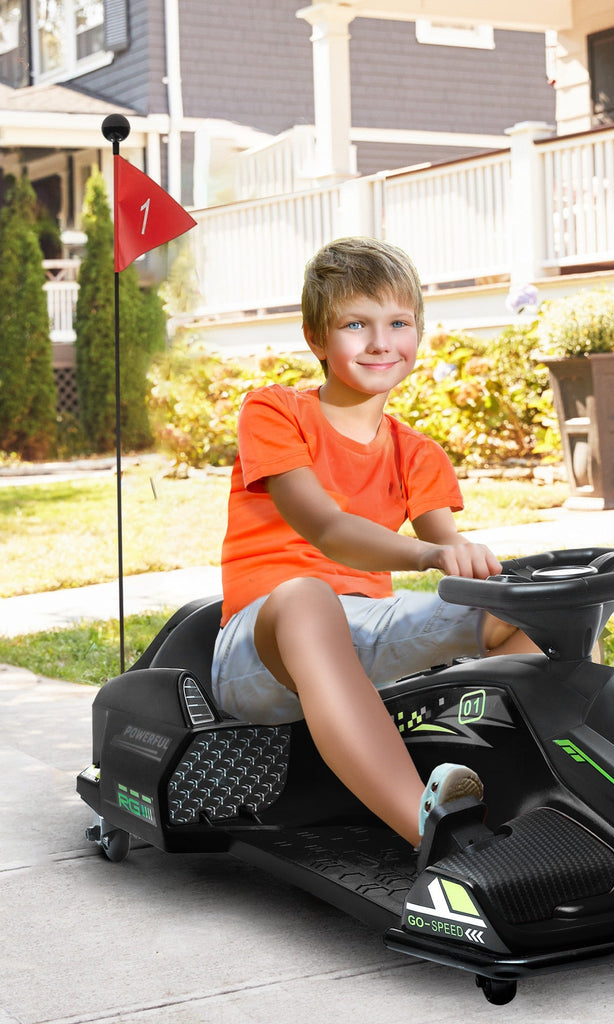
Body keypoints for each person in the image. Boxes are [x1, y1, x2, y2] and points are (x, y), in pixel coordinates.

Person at [211, 237, 537, 849]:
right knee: (308, 596)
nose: (381, 342)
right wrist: (428, 555)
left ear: (419, 333)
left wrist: (478, 566)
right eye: (356, 324)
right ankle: (429, 831)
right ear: (316, 339)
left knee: (532, 614)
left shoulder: (417, 452)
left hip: (370, 631)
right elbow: (327, 528)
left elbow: (448, 544)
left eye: (399, 323)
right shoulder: (274, 411)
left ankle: (547, 797)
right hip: (264, 647)